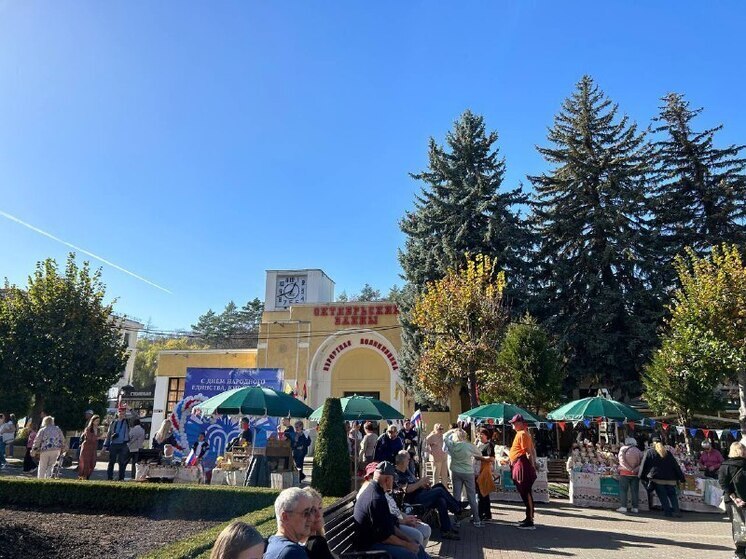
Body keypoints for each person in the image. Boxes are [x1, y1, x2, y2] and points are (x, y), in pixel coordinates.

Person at [353, 461, 431, 559]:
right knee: (410, 554)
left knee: (415, 544)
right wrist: (407, 545)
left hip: (378, 540)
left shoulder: (377, 491)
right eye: (393, 479)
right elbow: (385, 537)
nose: (394, 482)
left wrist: (409, 540)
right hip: (370, 547)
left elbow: (389, 526)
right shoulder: (376, 499)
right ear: (387, 479)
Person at [394, 450, 466, 540]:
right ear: (403, 461)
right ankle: (458, 510)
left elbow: (415, 482)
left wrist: (423, 484)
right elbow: (407, 489)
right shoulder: (397, 475)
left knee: (440, 496)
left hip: (421, 494)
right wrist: (421, 482)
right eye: (409, 459)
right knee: (439, 490)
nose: (410, 461)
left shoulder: (406, 471)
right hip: (414, 501)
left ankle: (446, 530)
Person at [502, 414, 537, 530]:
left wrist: (532, 466)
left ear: (520, 423)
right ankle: (528, 517)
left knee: (525, 491)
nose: (512, 425)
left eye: (514, 423)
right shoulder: (521, 433)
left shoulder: (522, 434)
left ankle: (530, 520)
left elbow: (528, 452)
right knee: (524, 491)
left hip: (522, 464)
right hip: (518, 463)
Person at [443, 427, 483, 527]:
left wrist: (451, 431)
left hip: (455, 471)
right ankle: (476, 519)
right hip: (468, 472)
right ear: (465, 436)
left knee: (456, 496)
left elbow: (444, 436)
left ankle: (457, 520)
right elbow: (479, 453)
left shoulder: (452, 445)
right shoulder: (469, 446)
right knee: (471, 496)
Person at [265, 487, 315, 559]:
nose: (312, 518)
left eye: (312, 511)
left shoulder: (274, 544)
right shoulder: (292, 553)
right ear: (285, 517)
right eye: (306, 513)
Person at [639, 440, 685, 517]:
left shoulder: (650, 452)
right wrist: (681, 478)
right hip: (671, 479)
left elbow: (644, 465)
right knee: (673, 496)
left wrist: (641, 477)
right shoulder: (668, 453)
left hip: (658, 479)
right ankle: (677, 512)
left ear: (653, 444)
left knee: (663, 497)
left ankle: (668, 513)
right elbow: (676, 466)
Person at [719, 441, 746, 559]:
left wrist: (735, 498)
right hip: (742, 500)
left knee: (738, 527)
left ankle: (740, 552)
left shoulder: (725, 466)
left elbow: (723, 484)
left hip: (732, 501)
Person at [303, 487, 335, 559]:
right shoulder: (317, 544)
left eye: (320, 508)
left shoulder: (316, 541)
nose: (319, 515)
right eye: (312, 510)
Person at [616, 436, 643, 513]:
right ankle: (635, 507)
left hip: (624, 473)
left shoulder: (623, 449)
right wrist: (635, 470)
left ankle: (623, 506)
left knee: (623, 490)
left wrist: (629, 468)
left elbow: (622, 461)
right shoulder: (638, 450)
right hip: (635, 474)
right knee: (635, 491)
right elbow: (642, 463)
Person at [104, 407, 130, 481]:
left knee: (122, 462)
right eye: (120, 413)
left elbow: (136, 417)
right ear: (117, 414)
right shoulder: (113, 422)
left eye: (123, 414)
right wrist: (105, 445)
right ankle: (109, 477)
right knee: (111, 462)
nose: (121, 415)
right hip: (114, 444)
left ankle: (121, 478)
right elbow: (109, 434)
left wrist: (129, 409)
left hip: (123, 444)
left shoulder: (127, 422)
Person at [475, 428, 496, 521]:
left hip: (484, 470)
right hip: (478, 470)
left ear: (486, 436)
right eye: (479, 434)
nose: (479, 436)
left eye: (481, 434)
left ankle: (481, 514)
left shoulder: (489, 445)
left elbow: (491, 458)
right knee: (483, 493)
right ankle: (486, 514)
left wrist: (480, 458)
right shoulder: (478, 444)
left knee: (483, 492)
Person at [78, 414, 100, 480]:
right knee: (85, 463)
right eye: (96, 421)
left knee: (92, 463)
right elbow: (89, 438)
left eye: (98, 421)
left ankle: (87, 476)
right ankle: (83, 477)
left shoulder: (98, 429)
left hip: (93, 448)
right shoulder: (88, 429)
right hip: (86, 447)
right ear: (93, 421)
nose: (97, 422)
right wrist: (98, 437)